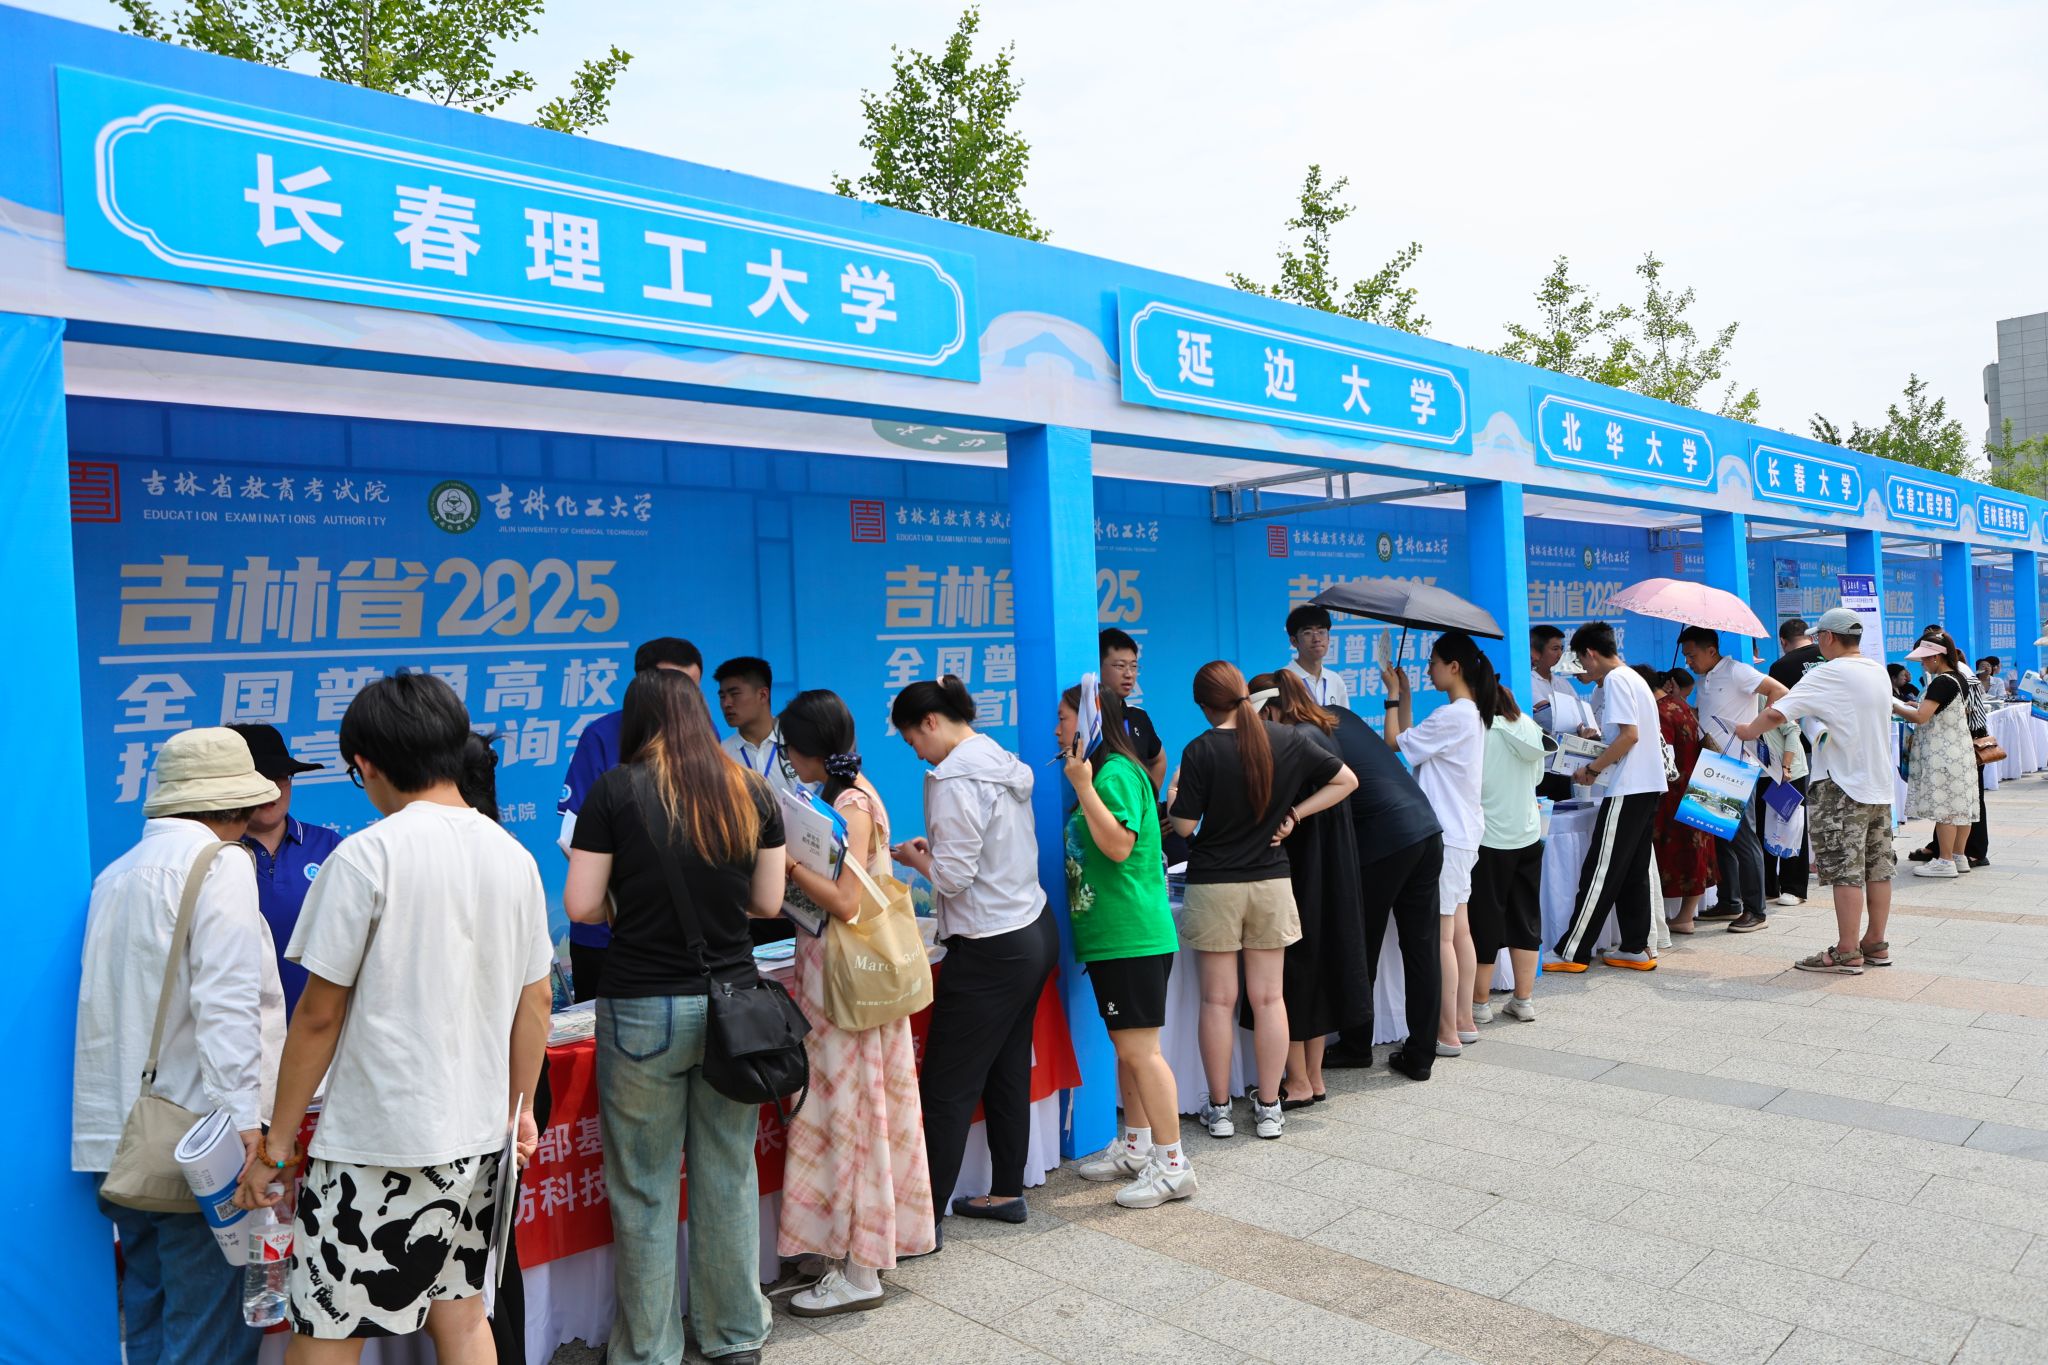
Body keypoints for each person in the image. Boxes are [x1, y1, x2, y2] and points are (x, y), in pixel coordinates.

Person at [235, 675, 552, 1360]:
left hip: (378, 1143)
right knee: (463, 1318)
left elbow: (318, 1017)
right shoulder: (513, 855)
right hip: (477, 1136)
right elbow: (537, 1002)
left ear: (367, 763)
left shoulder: (365, 856)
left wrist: (277, 1146)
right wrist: (521, 1108)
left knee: (327, 1327)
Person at [563, 667, 782, 1363]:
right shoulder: (750, 790)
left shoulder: (615, 790)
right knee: (728, 1172)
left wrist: (628, 904)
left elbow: (580, 904)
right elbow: (767, 902)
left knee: (644, 1186)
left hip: (640, 1008)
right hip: (732, 1007)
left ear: (638, 719)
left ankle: (649, 1350)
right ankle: (734, 1335)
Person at [74, 728, 285, 1365]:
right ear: (238, 801)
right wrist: (246, 1126)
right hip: (198, 1141)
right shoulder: (221, 864)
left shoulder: (117, 873)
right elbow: (228, 1004)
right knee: (209, 1336)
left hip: (120, 1142)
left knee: (149, 1317)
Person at [772, 689, 935, 1315]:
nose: (786, 757)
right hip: (839, 983)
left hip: (847, 987)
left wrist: (790, 867)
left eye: (789, 746)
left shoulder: (851, 802)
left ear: (808, 748)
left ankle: (861, 1268)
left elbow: (845, 902)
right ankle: (844, 1248)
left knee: (854, 1118)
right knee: (851, 1114)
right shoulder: (845, 793)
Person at [888, 677, 1057, 1225]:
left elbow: (954, 878)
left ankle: (924, 1222)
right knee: (1007, 1069)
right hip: (1032, 926)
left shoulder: (954, 777)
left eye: (914, 739)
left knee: (947, 1087)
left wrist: (918, 860)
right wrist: (936, 854)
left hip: (989, 947)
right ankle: (1005, 1190)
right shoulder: (997, 758)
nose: (917, 752)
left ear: (931, 722)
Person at [1169, 661, 1355, 1140]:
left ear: (1205, 706)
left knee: (1217, 1001)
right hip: (1271, 882)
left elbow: (1184, 826)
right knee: (1271, 998)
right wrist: (1295, 814)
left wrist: (1174, 791)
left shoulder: (1200, 749)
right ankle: (1270, 1108)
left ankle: (1219, 1110)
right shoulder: (1287, 739)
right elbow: (1346, 781)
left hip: (1214, 885)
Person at [1057, 680, 1193, 1208]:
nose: (1058, 729)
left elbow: (1117, 846)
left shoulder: (1111, 773)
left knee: (1142, 1052)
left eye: (1065, 719)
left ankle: (1173, 1165)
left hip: (1131, 936)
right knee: (1128, 1050)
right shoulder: (1108, 770)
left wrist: (1082, 786)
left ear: (1090, 722)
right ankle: (1137, 1148)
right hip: (1116, 937)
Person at [454, 734, 554, 1365]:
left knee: (476, 1254)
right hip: (519, 1070)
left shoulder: (439, 857)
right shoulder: (512, 854)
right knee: (496, 1243)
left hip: (481, 1074)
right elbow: (537, 995)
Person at [1736, 608, 1896, 975]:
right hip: (1878, 787)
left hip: (1841, 786)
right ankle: (1875, 942)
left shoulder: (1828, 673)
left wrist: (1747, 731)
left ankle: (1846, 950)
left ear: (1828, 637)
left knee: (1845, 870)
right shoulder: (1877, 671)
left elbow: (1777, 713)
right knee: (1878, 867)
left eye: (1818, 636)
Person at [557, 637, 703, 1001]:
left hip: (691, 933)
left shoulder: (704, 736)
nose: (683, 699)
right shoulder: (601, 737)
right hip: (609, 937)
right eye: (672, 685)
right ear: (642, 684)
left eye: (691, 689)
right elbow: (573, 836)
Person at [1248, 671, 1370, 1106]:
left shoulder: (1294, 738)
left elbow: (1345, 782)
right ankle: (1313, 1078)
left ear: (1269, 709)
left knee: (1295, 972)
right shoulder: (1320, 731)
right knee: (1313, 970)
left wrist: (1293, 815)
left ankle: (1298, 1081)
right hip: (1330, 866)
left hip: (1305, 867)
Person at [1381, 632, 1492, 1056]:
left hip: (1447, 835)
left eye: (1433, 662)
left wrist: (1391, 697)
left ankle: (1445, 1032)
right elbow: (1412, 741)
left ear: (1454, 667)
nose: (1429, 669)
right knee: (1459, 930)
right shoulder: (1470, 713)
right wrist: (1406, 695)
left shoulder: (1454, 715)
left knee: (1442, 937)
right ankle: (1463, 1021)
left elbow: (1393, 742)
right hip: (1464, 833)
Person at [1325, 705, 1444, 1079]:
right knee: (1423, 950)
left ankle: (1356, 1045)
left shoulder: (1306, 736)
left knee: (1361, 945)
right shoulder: (1340, 715)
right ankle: (1421, 1055)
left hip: (1385, 842)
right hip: (1426, 829)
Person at [1551, 623, 1669, 972]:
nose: (1582, 670)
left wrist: (1591, 769)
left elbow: (1629, 736)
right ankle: (1635, 947)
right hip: (1646, 786)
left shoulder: (1616, 680)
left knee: (1600, 870)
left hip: (1627, 786)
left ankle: (1572, 952)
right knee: (1633, 870)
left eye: (1581, 661)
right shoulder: (1633, 677)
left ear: (1591, 653)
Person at [226, 722, 341, 1016]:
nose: (271, 790)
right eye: (259, 777)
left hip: (320, 1026)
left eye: (279, 777)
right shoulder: (216, 853)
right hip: (237, 1026)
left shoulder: (330, 846)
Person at [1680, 626, 1787, 934]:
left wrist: (1757, 727)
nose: (1689, 662)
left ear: (1711, 651)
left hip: (1736, 763)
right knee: (1719, 835)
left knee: (1743, 838)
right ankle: (1730, 900)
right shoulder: (1705, 678)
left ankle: (1756, 910)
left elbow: (1780, 692)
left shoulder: (1738, 671)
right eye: (1686, 656)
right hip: (1713, 761)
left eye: (1692, 655)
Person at [1470, 682, 1548, 1020]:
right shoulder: (1529, 727)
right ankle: (1524, 1000)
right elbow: (1537, 777)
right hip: (1527, 833)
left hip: (1489, 838)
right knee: (1526, 917)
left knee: (1483, 919)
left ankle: (1479, 1004)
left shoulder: (1481, 732)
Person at [1895, 632, 1979, 879]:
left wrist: (1894, 706)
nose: (1922, 663)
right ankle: (1958, 856)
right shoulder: (1959, 677)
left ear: (1936, 657)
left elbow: (1921, 717)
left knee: (1946, 809)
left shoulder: (1941, 682)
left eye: (1924, 658)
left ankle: (1944, 861)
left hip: (1942, 753)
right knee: (1960, 807)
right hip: (1959, 750)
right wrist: (1916, 706)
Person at [1643, 667, 1716, 933]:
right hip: (1697, 786)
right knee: (1697, 850)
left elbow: (1665, 758)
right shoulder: (1681, 705)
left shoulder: (1660, 711)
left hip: (1674, 793)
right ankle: (1685, 915)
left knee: (1677, 851)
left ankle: (1680, 917)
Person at [1768, 619, 1824, 906]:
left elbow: (1779, 712)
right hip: (1840, 745)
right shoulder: (1829, 657)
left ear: (1783, 641)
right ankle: (1821, 863)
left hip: (1800, 749)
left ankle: (1795, 881)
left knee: (1796, 814)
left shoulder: (1781, 667)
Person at [715, 656, 805, 796]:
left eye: (734, 694)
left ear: (763, 695)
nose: (726, 703)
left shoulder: (801, 743)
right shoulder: (720, 756)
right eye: (722, 697)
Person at [1099, 628, 1168, 789]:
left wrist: (1149, 800)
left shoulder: (1139, 717)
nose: (1129, 674)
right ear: (1098, 665)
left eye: (1134, 666)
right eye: (1120, 666)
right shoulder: (1088, 717)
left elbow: (1159, 760)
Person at [1284, 604, 1352, 710]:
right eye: (1307, 633)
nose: (1316, 639)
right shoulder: (1283, 680)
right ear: (1294, 641)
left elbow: (1345, 718)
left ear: (1328, 638)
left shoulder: (1335, 680)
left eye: (1321, 632)